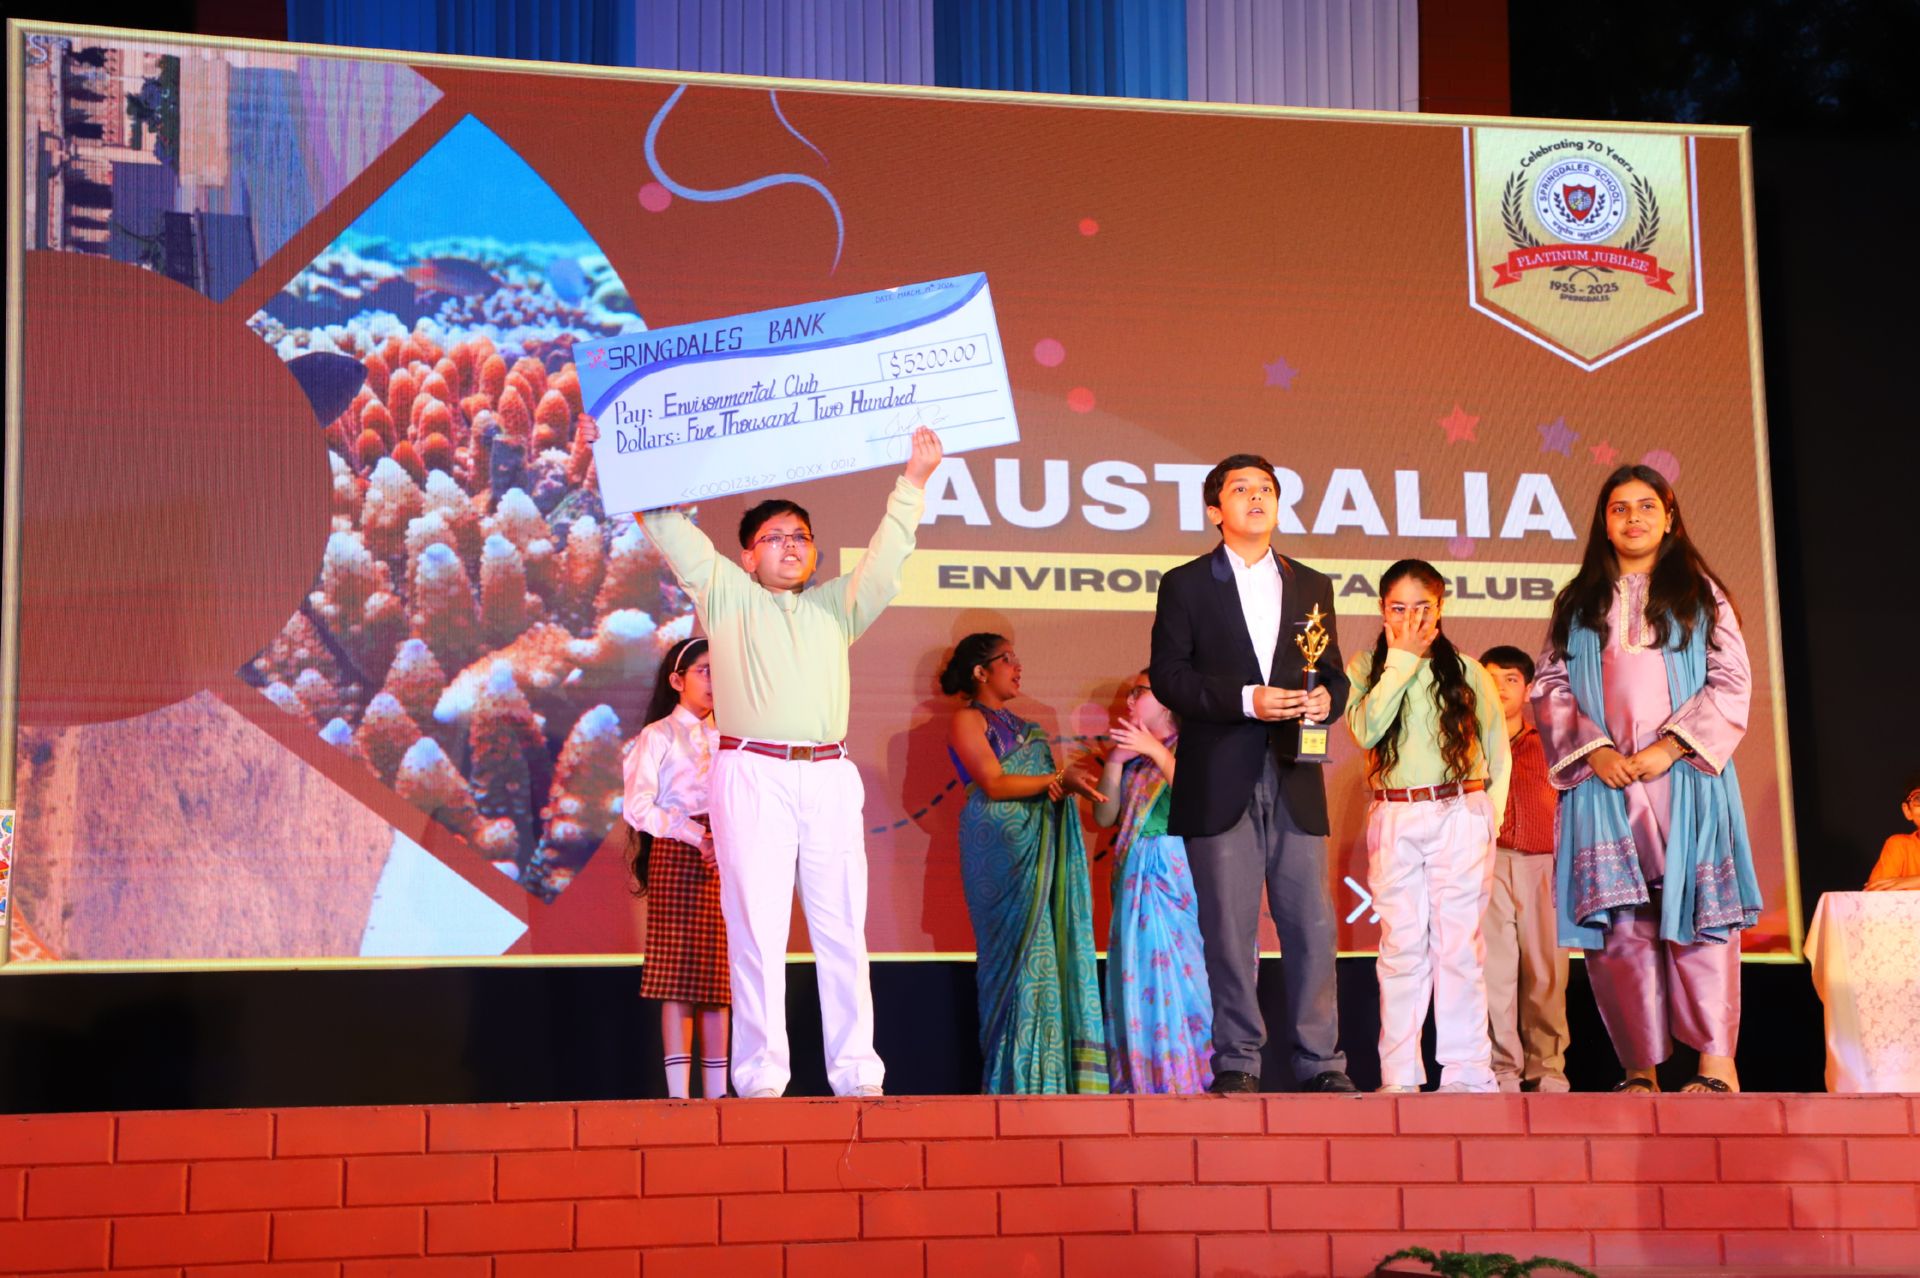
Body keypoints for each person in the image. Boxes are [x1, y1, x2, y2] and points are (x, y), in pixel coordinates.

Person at [640, 426, 943, 1099]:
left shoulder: (835, 607)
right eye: (774, 536)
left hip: (829, 774)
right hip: (752, 773)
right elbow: (669, 528)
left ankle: (857, 1074)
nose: (791, 545)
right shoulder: (727, 595)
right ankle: (759, 1079)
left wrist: (913, 482)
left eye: (801, 536)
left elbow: (887, 561)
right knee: (756, 930)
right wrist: (627, 452)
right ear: (747, 556)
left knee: (843, 928)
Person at [1534, 464, 1760, 1094]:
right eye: (1619, 508)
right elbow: (1549, 685)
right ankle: (1639, 1072)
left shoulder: (1700, 595)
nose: (1633, 518)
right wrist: (1594, 750)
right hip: (1604, 786)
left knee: (1702, 916)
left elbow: (1732, 682)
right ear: (1603, 523)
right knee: (1620, 928)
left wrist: (1670, 747)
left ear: (1669, 517)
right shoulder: (1578, 602)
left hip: (1685, 778)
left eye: (1645, 507)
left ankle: (1716, 1068)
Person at [1148, 453, 1356, 1094]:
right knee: (1229, 931)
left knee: (1312, 925)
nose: (1256, 497)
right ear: (1216, 510)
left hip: (1296, 773)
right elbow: (1170, 678)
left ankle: (1321, 1063)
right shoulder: (1185, 584)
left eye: (1266, 488)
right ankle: (1237, 1061)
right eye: (1241, 489)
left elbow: (1335, 673)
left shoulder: (1311, 584)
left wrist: (1327, 700)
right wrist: (1247, 700)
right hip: (1218, 775)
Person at [1345, 561, 1510, 1094]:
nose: (1411, 620)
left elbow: (1497, 752)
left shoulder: (1467, 671)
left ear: (1440, 609)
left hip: (1459, 810)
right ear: (1382, 610)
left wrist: (1488, 818)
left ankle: (1467, 1071)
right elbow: (1366, 730)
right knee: (1401, 946)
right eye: (1399, 609)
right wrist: (1400, 662)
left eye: (1423, 608)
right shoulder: (1365, 667)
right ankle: (1399, 1074)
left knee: (1458, 946)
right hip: (1395, 812)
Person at [943, 634, 1108, 1093]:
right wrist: (1058, 778)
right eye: (1007, 659)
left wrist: (1061, 783)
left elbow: (1045, 785)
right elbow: (994, 782)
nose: (1018, 667)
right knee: (1013, 963)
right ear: (980, 672)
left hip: (1038, 849)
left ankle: (1050, 1082)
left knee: (1046, 955)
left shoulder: (1031, 730)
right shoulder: (967, 719)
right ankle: (1012, 1083)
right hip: (999, 853)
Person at [1090, 669, 1214, 1094]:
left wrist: (1155, 751)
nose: (1128, 702)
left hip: (1175, 875)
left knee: (1185, 980)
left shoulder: (1194, 747)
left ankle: (1190, 1079)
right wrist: (1114, 762)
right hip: (1135, 879)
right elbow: (1104, 815)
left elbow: (1200, 801)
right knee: (1140, 977)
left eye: (1138, 693)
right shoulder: (1134, 759)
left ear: (1166, 701)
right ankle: (1146, 1083)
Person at [622, 637, 728, 1099]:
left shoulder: (732, 738)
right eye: (705, 671)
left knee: (719, 978)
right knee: (678, 977)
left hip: (725, 855)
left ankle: (719, 1094)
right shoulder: (658, 735)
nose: (715, 681)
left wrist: (723, 840)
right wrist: (694, 835)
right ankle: (679, 1096)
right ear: (677, 680)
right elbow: (637, 806)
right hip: (677, 852)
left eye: (721, 672)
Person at [1478, 644, 1569, 1093]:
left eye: (1510, 680)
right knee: (1493, 975)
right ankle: (1502, 1071)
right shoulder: (1468, 744)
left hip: (1543, 866)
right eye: (1490, 680)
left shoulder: (1552, 744)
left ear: (1529, 687)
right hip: (1488, 864)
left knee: (1547, 974)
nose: (1500, 689)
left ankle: (1547, 1069)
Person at [1864, 773, 1920, 890]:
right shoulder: (1900, 845)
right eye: (1918, 799)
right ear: (1907, 811)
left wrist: (1915, 881)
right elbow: (1875, 892)